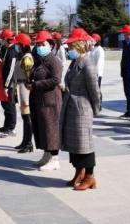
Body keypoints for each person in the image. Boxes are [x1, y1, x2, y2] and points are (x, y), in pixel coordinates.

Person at [60, 35, 101, 190]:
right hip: (71, 107)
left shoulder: (88, 65)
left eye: (70, 47)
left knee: (85, 145)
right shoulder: (75, 62)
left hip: (82, 109)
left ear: (79, 46)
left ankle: (90, 176)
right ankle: (79, 172)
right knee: (74, 143)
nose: (69, 50)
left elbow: (95, 91)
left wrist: (95, 109)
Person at [28, 30, 63, 171]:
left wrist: (35, 84)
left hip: (50, 100)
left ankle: (54, 158)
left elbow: (56, 80)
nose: (39, 47)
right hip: (40, 99)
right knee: (43, 128)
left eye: (43, 44)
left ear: (51, 45)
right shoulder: (40, 60)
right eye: (38, 44)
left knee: (51, 129)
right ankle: (47, 155)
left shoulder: (54, 61)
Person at [13, 33, 34, 153]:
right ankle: (24, 141)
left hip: (25, 89)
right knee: (24, 116)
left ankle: (29, 143)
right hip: (21, 87)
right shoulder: (23, 56)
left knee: (27, 117)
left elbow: (29, 76)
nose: (17, 47)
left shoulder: (27, 58)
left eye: (18, 44)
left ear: (22, 45)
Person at [0, 29, 17, 136]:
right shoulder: (5, 48)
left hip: (10, 83)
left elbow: (11, 70)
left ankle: (11, 127)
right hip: (3, 80)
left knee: (10, 105)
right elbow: (0, 55)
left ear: (6, 39)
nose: (1, 41)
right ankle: (6, 125)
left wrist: (6, 86)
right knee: (4, 104)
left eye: (2, 39)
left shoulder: (13, 51)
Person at [89, 33, 105, 109]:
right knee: (93, 89)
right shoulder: (92, 49)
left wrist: (96, 73)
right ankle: (94, 104)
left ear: (97, 40)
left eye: (93, 40)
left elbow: (99, 63)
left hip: (97, 73)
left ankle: (99, 104)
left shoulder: (99, 50)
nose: (91, 41)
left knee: (97, 89)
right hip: (91, 72)